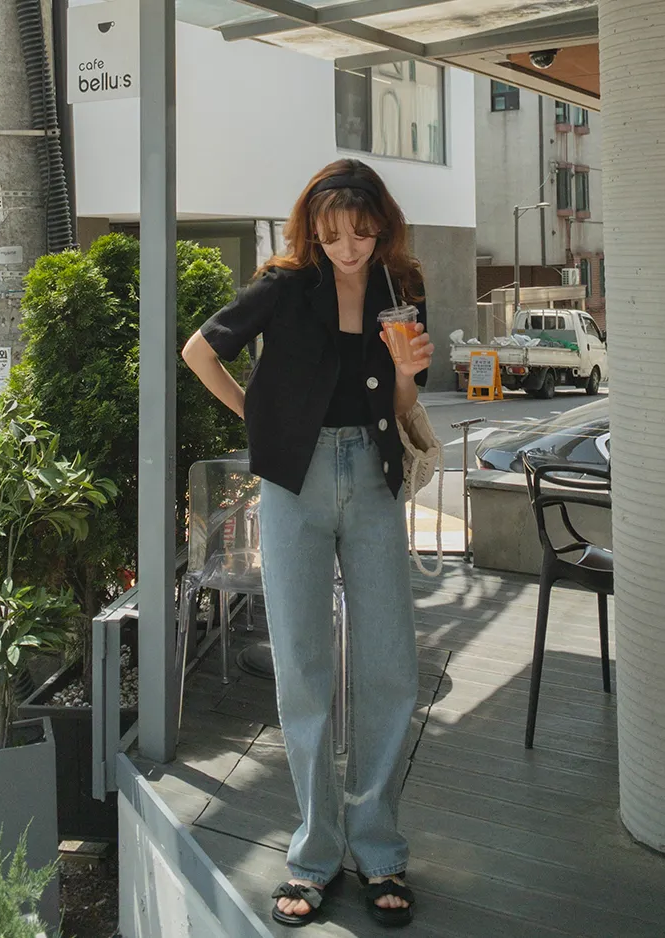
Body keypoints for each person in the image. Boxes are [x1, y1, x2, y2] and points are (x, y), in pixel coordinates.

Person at [182, 158, 433, 929]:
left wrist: (406, 372)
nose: (347, 249)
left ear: (381, 227)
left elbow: (403, 402)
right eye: (332, 236)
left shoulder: (401, 286)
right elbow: (199, 351)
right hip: (295, 484)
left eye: (361, 233)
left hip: (374, 478)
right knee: (303, 668)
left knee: (390, 664)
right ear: (312, 233)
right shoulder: (284, 285)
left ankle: (379, 849)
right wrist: (261, 424)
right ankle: (316, 854)